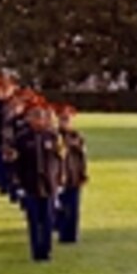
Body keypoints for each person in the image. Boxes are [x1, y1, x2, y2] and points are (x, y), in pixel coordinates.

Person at [9, 102, 63, 262]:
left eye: (42, 116)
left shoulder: (53, 137)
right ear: (29, 118)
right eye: (35, 116)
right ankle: (35, 250)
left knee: (47, 219)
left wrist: (59, 180)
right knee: (33, 220)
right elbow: (16, 163)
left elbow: (60, 160)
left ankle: (46, 250)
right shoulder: (22, 138)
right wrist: (17, 184)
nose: (39, 120)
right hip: (30, 183)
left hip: (49, 183)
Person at [56, 105, 88, 244]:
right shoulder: (54, 135)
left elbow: (82, 157)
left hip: (73, 174)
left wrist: (82, 173)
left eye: (67, 119)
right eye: (62, 119)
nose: (65, 122)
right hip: (58, 177)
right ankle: (61, 230)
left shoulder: (77, 136)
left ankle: (71, 235)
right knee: (60, 207)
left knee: (73, 207)